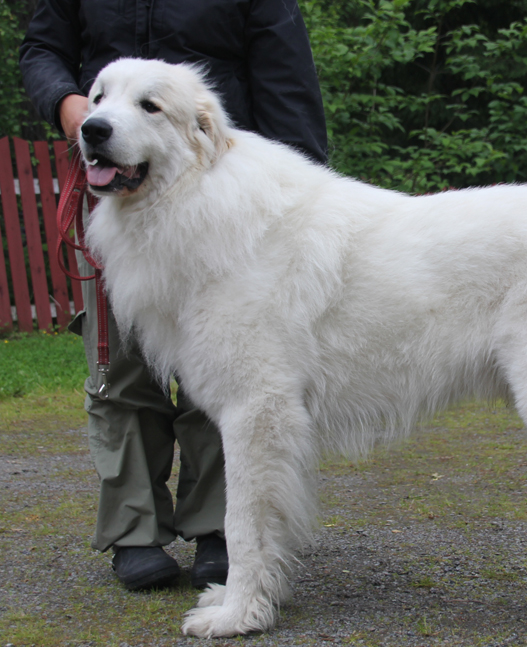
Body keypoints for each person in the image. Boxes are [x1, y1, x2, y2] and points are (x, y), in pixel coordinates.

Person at [19, 0, 327, 591]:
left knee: (228, 376)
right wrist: (69, 104)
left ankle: (221, 530)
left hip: (223, 196)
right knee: (122, 372)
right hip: (125, 197)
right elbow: (43, 49)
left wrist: (298, 209)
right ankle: (134, 529)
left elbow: (286, 82)